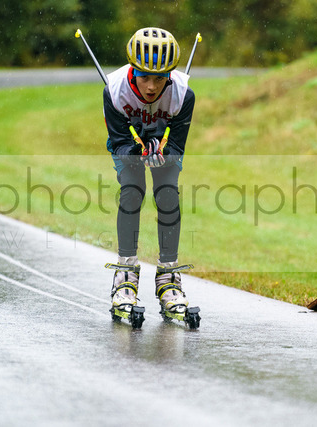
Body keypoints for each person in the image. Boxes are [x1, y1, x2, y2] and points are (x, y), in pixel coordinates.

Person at [103, 27, 196, 317]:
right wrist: (137, 151)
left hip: (164, 144)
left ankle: (169, 278)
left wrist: (164, 154)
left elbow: (177, 145)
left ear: (170, 74)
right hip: (128, 145)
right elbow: (120, 143)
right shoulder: (114, 91)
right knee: (133, 191)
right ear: (133, 71)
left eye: (160, 78)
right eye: (144, 77)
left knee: (167, 194)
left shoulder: (183, 95)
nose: (152, 87)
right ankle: (125, 276)